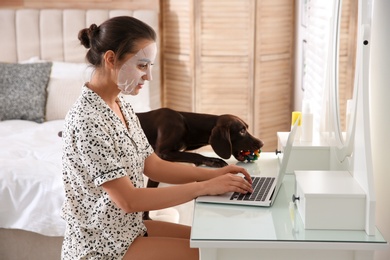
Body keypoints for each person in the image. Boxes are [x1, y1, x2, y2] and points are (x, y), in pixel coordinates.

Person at [60, 16, 253, 260]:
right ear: (110, 59)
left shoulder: (121, 107)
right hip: (101, 246)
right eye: (142, 66)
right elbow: (128, 200)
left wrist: (216, 174)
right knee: (215, 256)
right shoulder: (87, 121)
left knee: (220, 246)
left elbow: (153, 165)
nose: (148, 76)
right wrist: (204, 188)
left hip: (128, 230)